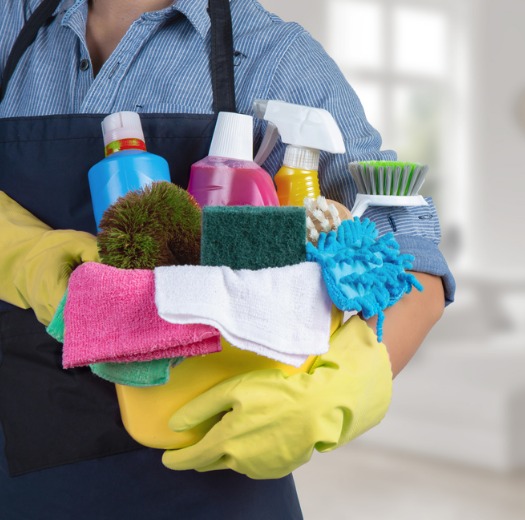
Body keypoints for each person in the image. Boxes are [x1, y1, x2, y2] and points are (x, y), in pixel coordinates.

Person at [0, 0, 454, 517]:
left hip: (213, 474)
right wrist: (22, 249)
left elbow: (415, 259)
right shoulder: (11, 24)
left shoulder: (273, 57)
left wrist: (344, 385)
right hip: (21, 466)